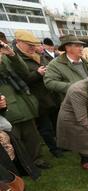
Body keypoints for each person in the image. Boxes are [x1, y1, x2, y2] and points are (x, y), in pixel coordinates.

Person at [0, 36, 52, 171]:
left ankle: (36, 159)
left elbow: (23, 71)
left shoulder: (7, 56)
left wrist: (12, 54)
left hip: (22, 101)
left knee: (32, 135)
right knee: (14, 138)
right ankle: (22, 165)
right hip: (7, 105)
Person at [13, 30, 63, 160]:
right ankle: (54, 148)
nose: (33, 47)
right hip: (37, 99)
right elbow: (21, 80)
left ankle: (62, 144)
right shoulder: (15, 58)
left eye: (33, 44)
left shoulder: (37, 54)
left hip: (50, 95)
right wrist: (38, 74)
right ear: (18, 42)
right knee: (45, 127)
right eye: (29, 45)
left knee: (57, 123)